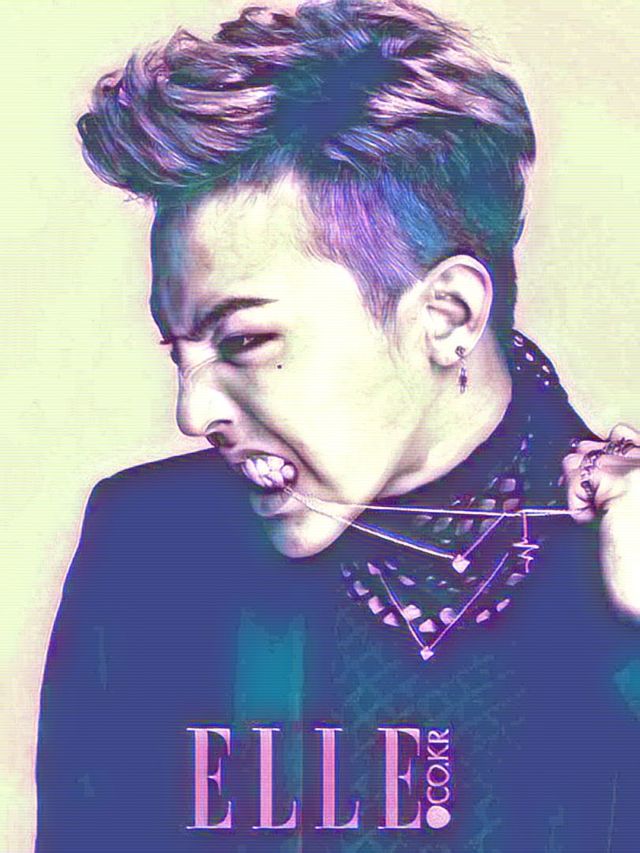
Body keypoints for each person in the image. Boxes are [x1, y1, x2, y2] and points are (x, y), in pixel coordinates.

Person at [36, 1, 640, 851]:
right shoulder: (151, 547)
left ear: (447, 315)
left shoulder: (620, 568)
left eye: (243, 340)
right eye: (181, 350)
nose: (192, 412)